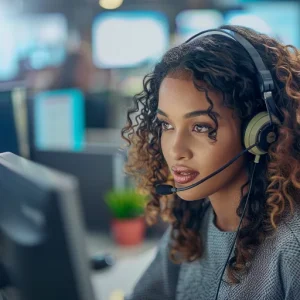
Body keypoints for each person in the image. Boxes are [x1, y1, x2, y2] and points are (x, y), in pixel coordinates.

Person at [121, 24, 300, 300]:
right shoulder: (190, 223)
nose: (176, 150)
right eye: (166, 125)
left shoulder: (291, 248)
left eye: (202, 127)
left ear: (262, 132)